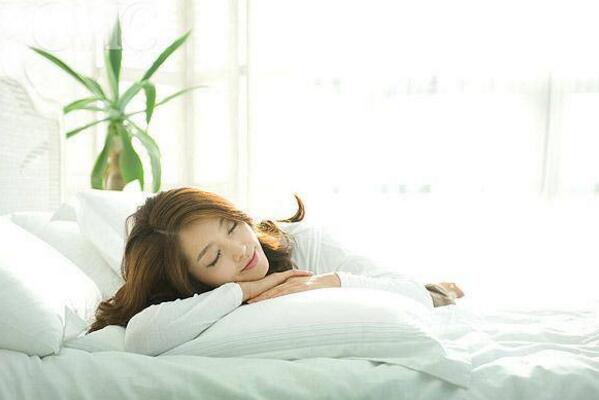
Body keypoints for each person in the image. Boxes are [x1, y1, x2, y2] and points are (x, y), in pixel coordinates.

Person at [87, 187, 465, 356]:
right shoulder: (194, 304)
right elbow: (142, 336)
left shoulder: (305, 242)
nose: (241, 249)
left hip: (397, 287)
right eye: (214, 258)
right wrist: (245, 290)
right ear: (190, 282)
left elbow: (411, 293)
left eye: (232, 227)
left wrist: (325, 282)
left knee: (435, 292)